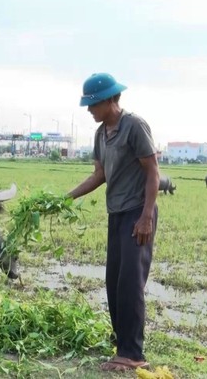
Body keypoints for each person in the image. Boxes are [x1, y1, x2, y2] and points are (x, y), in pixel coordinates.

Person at [66, 72, 159, 372]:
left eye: (93, 104)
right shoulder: (100, 134)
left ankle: (133, 353)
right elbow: (99, 174)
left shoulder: (134, 126)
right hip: (116, 213)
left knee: (131, 282)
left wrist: (146, 216)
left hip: (137, 212)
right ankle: (122, 344)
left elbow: (153, 172)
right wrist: (65, 199)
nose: (89, 110)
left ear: (110, 100)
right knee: (114, 282)